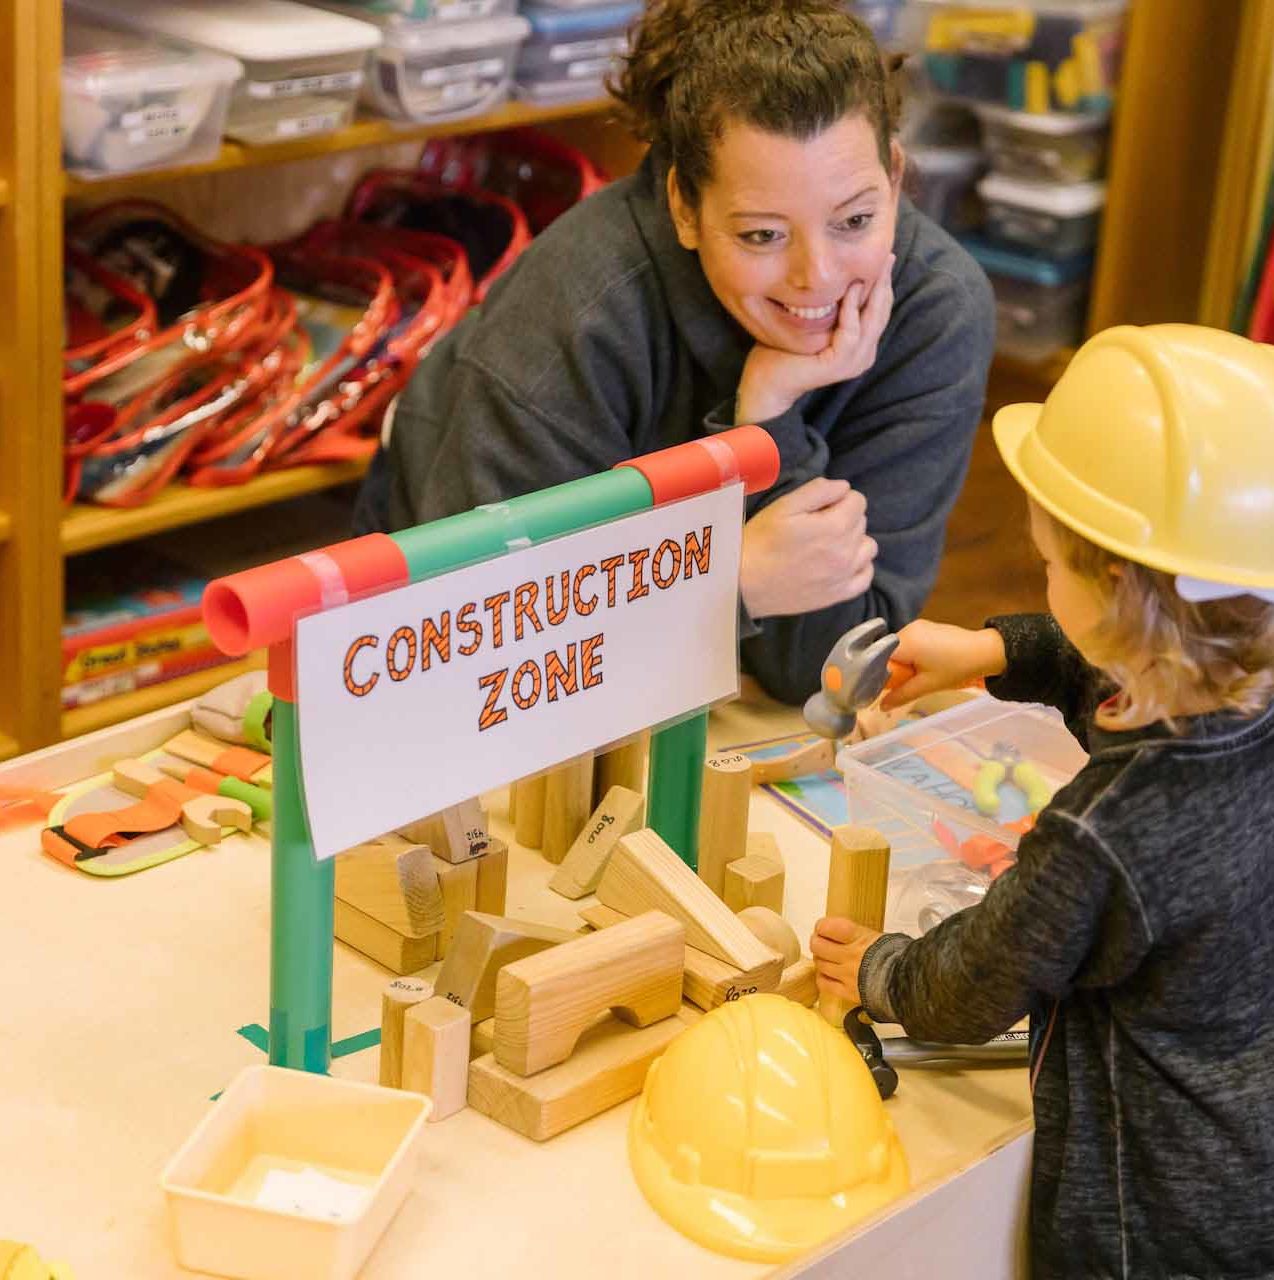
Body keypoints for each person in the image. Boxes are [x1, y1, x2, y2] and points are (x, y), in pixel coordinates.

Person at [354, 0, 995, 704]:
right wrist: (731, 582)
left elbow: (837, 671)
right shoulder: (572, 316)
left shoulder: (936, 309)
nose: (818, 276)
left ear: (896, 177)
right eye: (761, 236)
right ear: (685, 209)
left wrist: (770, 420)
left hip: (682, 686)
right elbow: (475, 646)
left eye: (856, 219)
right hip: (441, 660)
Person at [811, 324, 1274, 1278]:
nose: (1042, 579)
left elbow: (971, 984)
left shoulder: (1103, 832)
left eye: (1050, 568)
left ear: (1116, 587)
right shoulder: (1236, 685)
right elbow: (1127, 676)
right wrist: (999, 651)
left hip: (1143, 1217)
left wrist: (881, 969)